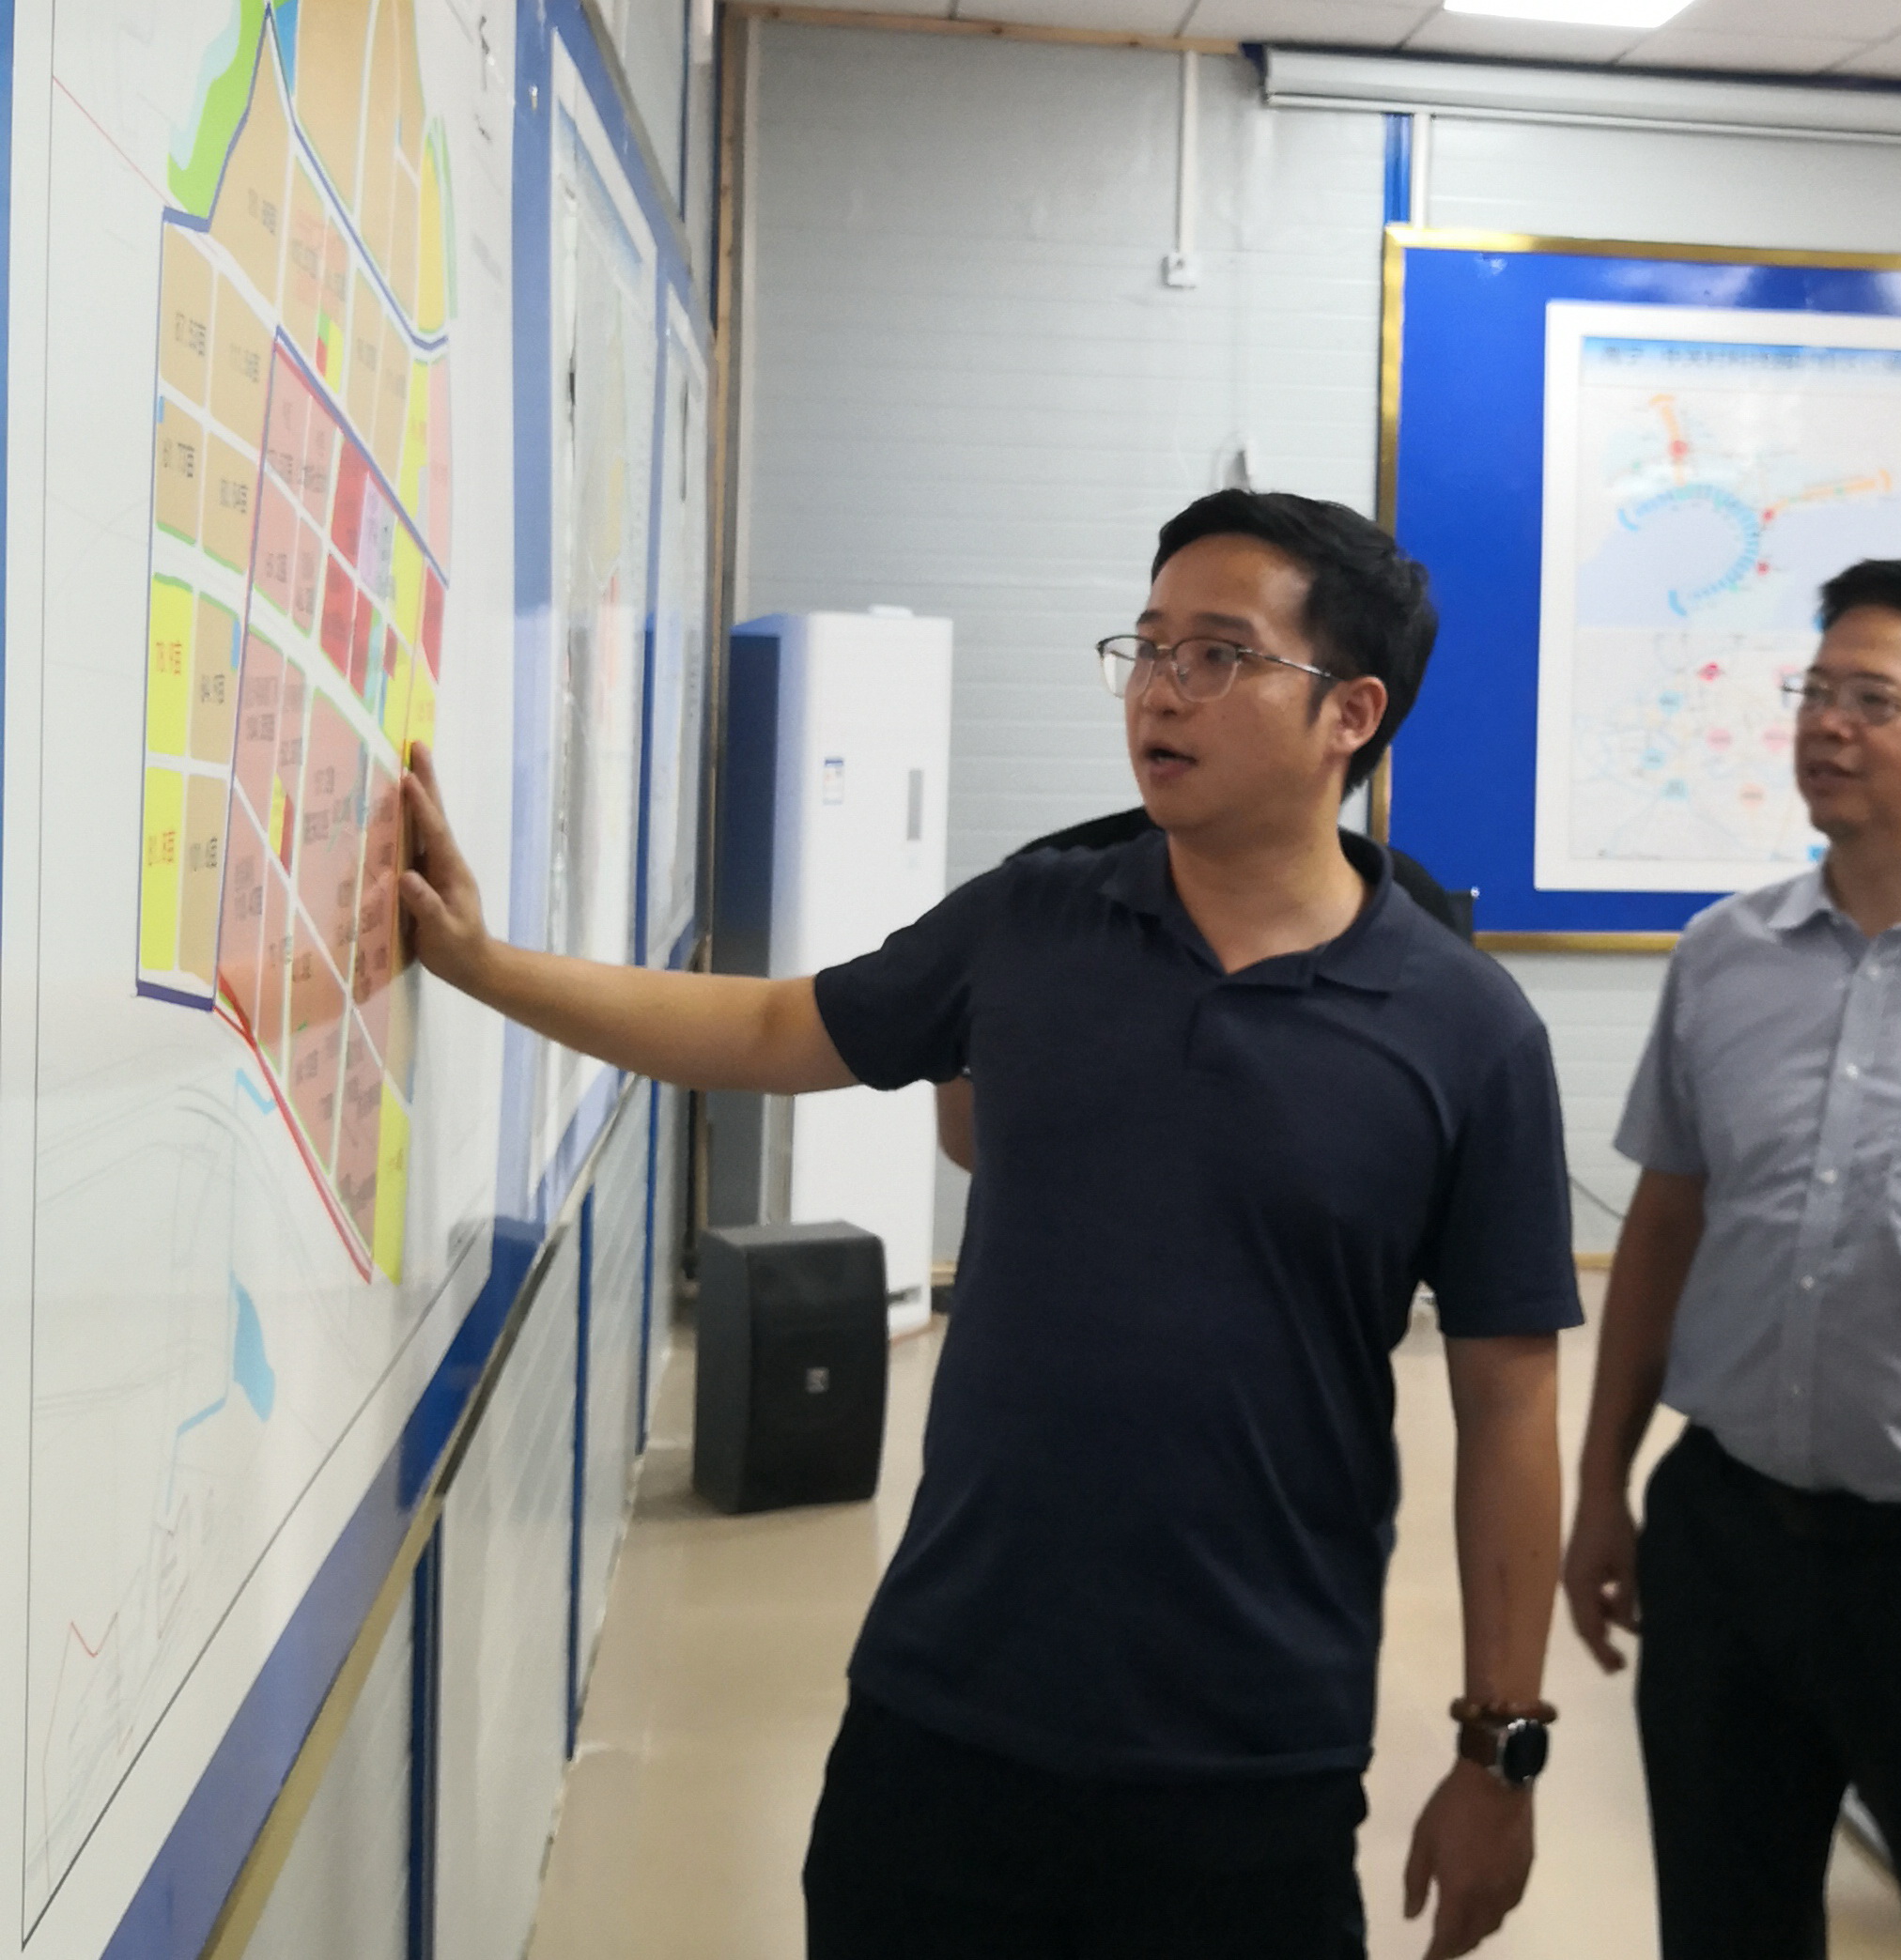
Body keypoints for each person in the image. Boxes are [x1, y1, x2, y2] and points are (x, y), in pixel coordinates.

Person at [397, 489, 1584, 1960]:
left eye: (1218, 654)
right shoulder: (1030, 923)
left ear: (1351, 711)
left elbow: (1511, 1401)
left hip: (1252, 1751)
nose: (1159, 690)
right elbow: (771, 1025)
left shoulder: (1469, 1032)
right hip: (945, 1713)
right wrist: (484, 964)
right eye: (1146, 646)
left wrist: (1499, 1748)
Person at [1561, 561, 1901, 1960]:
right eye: (1815, 690)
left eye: (1871, 698)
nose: (1825, 723)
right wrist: (1602, 1485)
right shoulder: (1725, 955)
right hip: (1726, 1534)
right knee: (1724, 1924)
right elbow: (1668, 1223)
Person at [935, 809, 1468, 1173]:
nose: (1167, 699)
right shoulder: (1046, 885)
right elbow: (966, 1134)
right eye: (1149, 673)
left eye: (1225, 673)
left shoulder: (1403, 908)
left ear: (1351, 716)